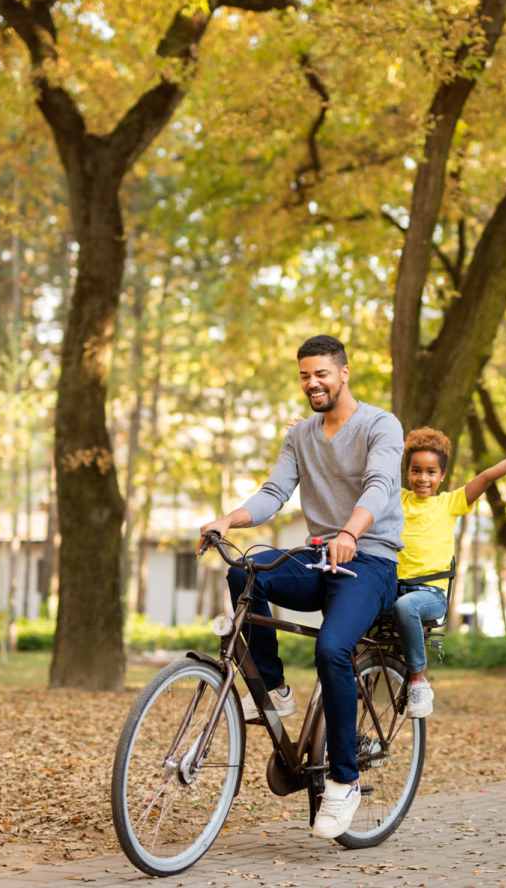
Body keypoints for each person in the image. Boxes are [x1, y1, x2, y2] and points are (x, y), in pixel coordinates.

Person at [199, 334, 403, 840]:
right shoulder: (301, 436)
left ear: (344, 373)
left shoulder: (380, 425)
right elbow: (274, 493)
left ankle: (345, 780)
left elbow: (380, 486)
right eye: (305, 375)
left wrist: (352, 532)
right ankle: (273, 688)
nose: (313, 383)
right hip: (319, 558)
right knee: (245, 571)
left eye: (322, 374)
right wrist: (228, 519)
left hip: (370, 560)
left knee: (333, 649)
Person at [396, 424, 506, 719]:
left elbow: (488, 476)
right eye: (416, 470)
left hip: (428, 594)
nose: (423, 478)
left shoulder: (449, 503)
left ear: (442, 476)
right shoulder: (397, 499)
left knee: (406, 606)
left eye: (430, 472)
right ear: (407, 472)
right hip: (395, 587)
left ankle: (419, 679)